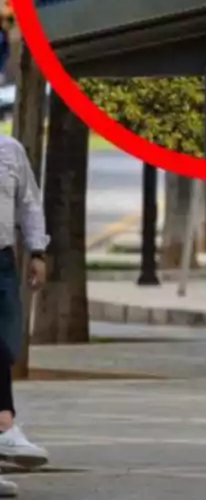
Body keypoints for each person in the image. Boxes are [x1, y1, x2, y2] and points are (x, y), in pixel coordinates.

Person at [0, 135, 51, 496]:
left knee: (6, 342)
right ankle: (4, 424)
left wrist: (37, 251)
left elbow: (29, 202)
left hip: (2, 259)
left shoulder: (10, 150)